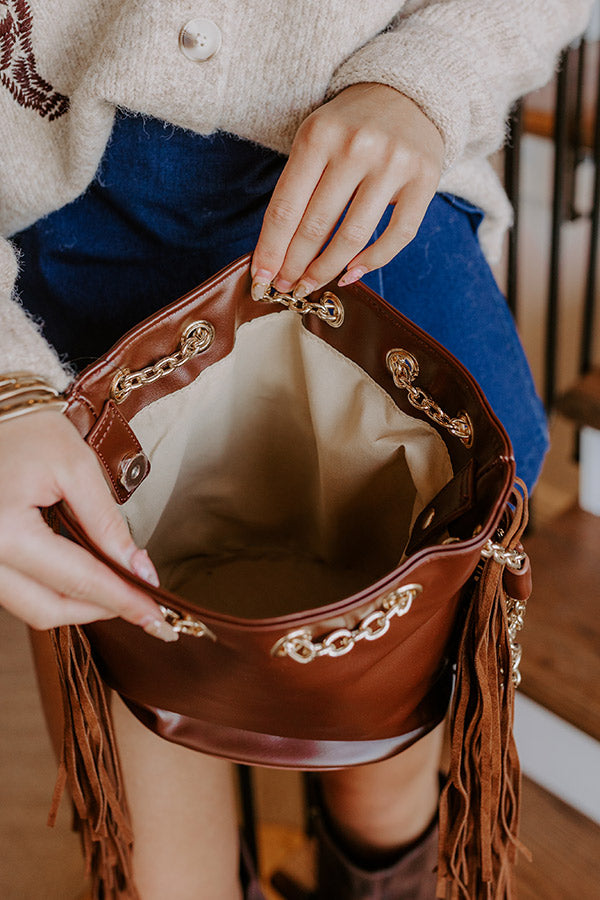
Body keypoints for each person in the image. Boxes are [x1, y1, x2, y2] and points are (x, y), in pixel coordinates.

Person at [0, 2, 593, 898]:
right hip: (60, 240)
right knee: (154, 850)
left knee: (387, 784)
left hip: (372, 200)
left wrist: (430, 77)